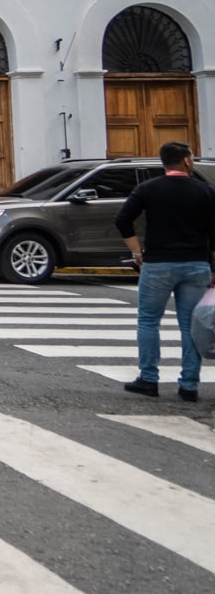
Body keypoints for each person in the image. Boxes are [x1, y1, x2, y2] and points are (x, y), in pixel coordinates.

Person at [116, 141, 215, 402]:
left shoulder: (148, 189)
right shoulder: (205, 191)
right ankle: (189, 385)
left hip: (158, 263)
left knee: (149, 320)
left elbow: (123, 219)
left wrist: (137, 252)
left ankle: (148, 379)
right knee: (190, 325)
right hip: (196, 264)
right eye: (191, 157)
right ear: (186, 161)